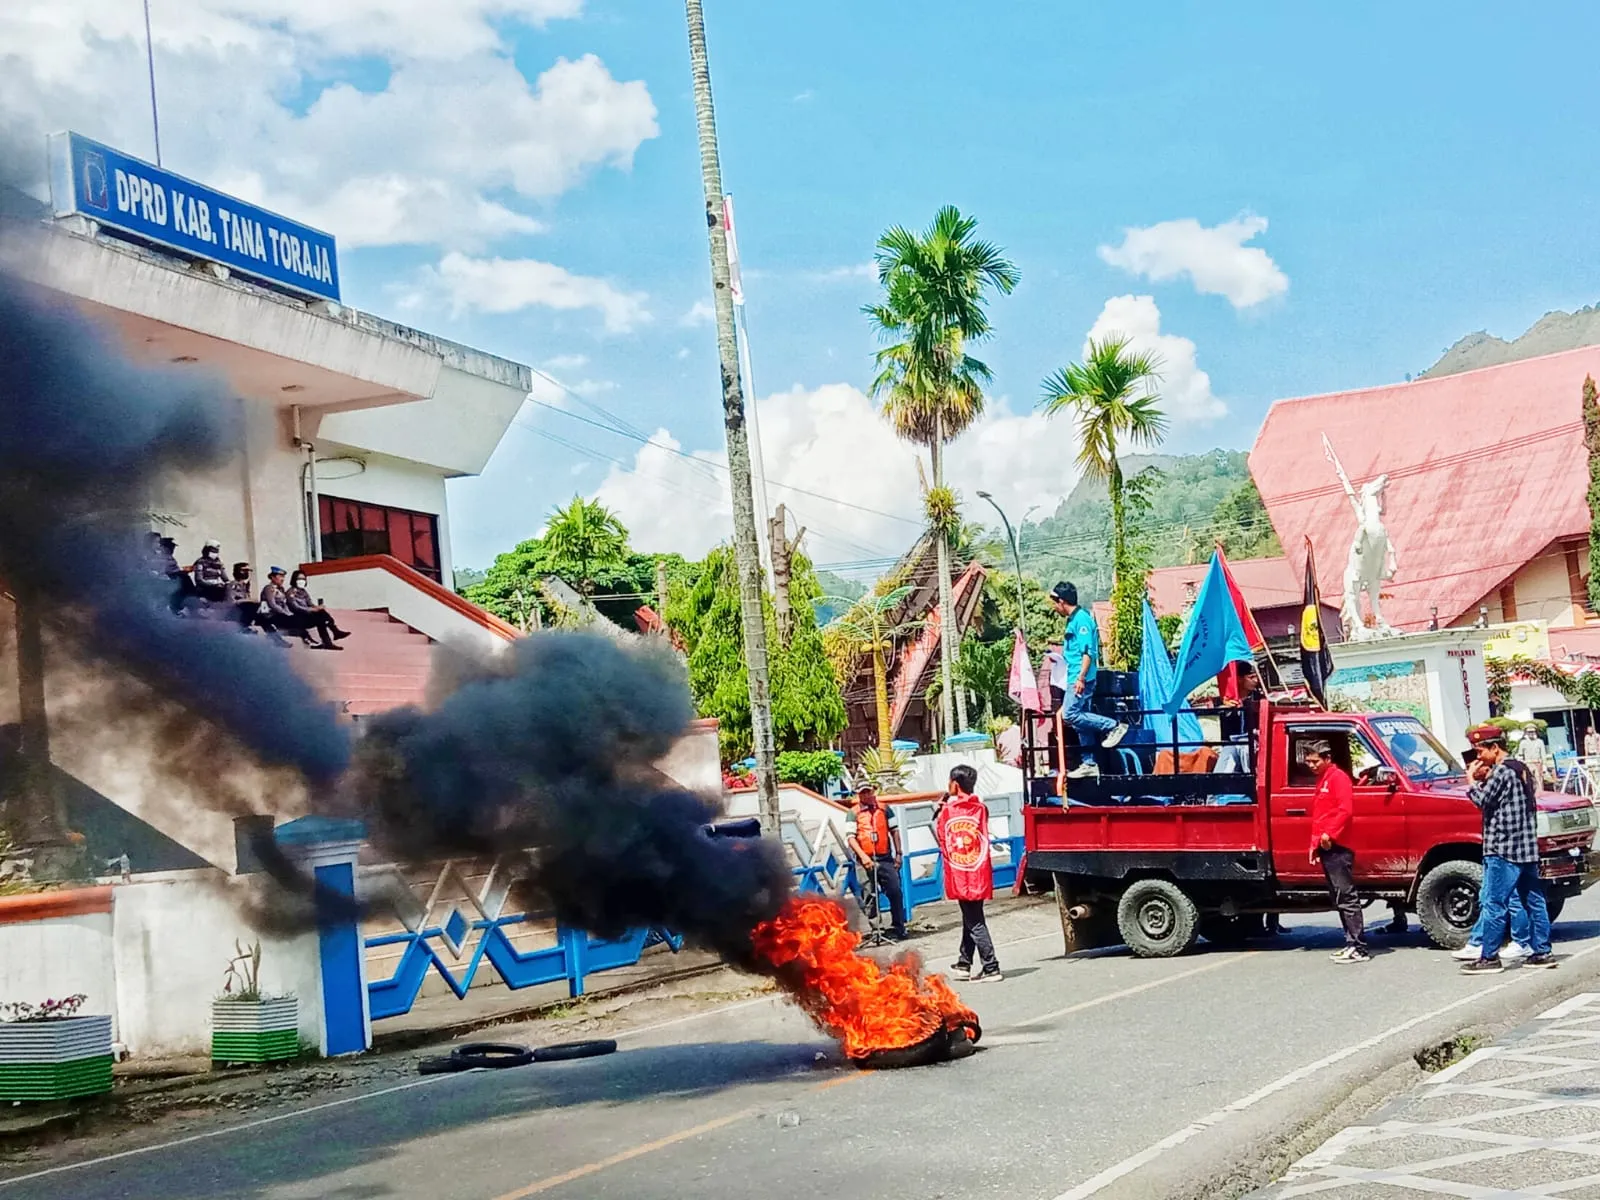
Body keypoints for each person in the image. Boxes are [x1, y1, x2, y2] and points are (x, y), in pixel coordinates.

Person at [1461, 724, 1555, 973]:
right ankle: (1542, 951)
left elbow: (1483, 800)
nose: (1478, 757)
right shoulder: (1521, 768)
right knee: (1534, 901)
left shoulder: (1502, 772)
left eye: (1480, 750)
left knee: (1494, 903)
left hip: (1502, 849)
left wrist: (1471, 780)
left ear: (1495, 748)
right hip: (1526, 848)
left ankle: (1489, 957)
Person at [1048, 581, 1128, 779]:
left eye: (1055, 602)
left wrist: (1081, 677)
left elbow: (1087, 652)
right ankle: (1089, 763)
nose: (1054, 607)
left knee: (1069, 714)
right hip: (1074, 675)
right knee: (1079, 720)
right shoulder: (1073, 620)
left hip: (1079, 678)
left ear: (1062, 601)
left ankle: (1113, 726)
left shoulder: (1081, 620)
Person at [1305, 739, 1369, 963]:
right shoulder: (1323, 779)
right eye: (1308, 762)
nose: (1311, 765)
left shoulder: (1338, 778)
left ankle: (1358, 947)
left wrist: (1329, 834)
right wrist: (1314, 845)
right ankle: (1350, 942)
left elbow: (1345, 810)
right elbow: (1320, 816)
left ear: (1327, 759)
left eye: (1315, 761)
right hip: (1327, 846)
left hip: (1338, 845)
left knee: (1346, 896)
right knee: (1339, 897)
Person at [936, 764, 1001, 982]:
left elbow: (942, 837)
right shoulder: (981, 809)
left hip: (961, 873)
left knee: (975, 921)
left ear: (954, 784)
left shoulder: (947, 812)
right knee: (971, 917)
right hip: (978, 871)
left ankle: (991, 966)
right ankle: (964, 963)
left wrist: (942, 806)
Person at [846, 786, 907, 941]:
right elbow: (851, 838)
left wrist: (899, 854)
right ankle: (876, 930)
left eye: (869, 791)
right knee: (869, 895)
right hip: (865, 860)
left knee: (895, 891)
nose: (867, 795)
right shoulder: (853, 813)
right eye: (863, 792)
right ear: (858, 795)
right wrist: (863, 857)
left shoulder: (885, 809)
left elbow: (895, 831)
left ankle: (899, 927)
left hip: (885, 858)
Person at [286, 571, 351, 647]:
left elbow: (310, 603)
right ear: (294, 579)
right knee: (320, 617)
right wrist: (312, 610)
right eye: (299, 578)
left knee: (321, 614)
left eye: (304, 579)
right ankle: (334, 633)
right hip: (298, 618)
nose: (302, 581)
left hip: (307, 616)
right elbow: (295, 607)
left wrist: (317, 607)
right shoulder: (290, 592)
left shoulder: (304, 592)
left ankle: (331, 639)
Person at [258, 568, 304, 648]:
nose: (282, 579)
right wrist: (285, 613)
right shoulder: (269, 588)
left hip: (279, 614)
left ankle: (305, 637)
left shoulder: (281, 589)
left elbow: (284, 603)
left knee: (297, 619)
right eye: (280, 576)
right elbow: (272, 604)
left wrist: (289, 613)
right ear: (273, 577)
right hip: (269, 615)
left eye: (283, 576)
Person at [190, 539, 230, 607]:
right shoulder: (200, 562)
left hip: (217, 588)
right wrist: (212, 585)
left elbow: (224, 576)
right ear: (207, 550)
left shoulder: (218, 562)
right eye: (213, 550)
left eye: (216, 551)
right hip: (204, 589)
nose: (215, 553)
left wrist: (228, 583)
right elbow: (199, 580)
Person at [228, 563, 259, 631]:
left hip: (242, 609)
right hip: (234, 610)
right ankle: (243, 626)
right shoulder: (233, 585)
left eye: (247, 571)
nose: (247, 573)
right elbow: (231, 601)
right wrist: (248, 600)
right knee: (251, 605)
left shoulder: (245, 585)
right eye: (244, 571)